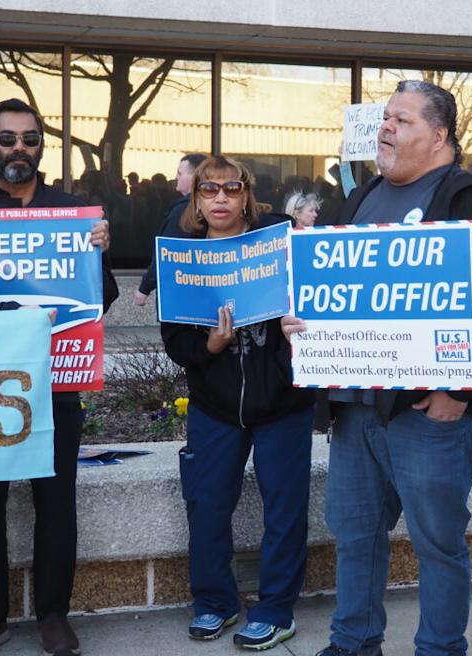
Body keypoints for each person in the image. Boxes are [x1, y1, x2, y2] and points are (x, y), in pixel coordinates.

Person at [283, 80, 472, 656]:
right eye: (386, 118)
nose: (385, 128)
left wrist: (457, 395)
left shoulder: (471, 203)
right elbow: (336, 293)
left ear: (439, 136)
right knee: (355, 537)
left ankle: (439, 649)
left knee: (437, 543)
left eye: (401, 120)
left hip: (427, 414)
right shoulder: (360, 199)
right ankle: (353, 643)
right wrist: (304, 321)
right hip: (354, 410)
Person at [0, 98, 118, 656]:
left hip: (57, 379)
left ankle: (54, 614)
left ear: (43, 145)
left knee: (56, 499)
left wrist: (97, 257)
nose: (20, 149)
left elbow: (99, 299)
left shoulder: (74, 213)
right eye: (8, 138)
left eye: (30, 139)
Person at [161, 156, 314, 650]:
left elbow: (316, 306)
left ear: (247, 195)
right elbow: (174, 340)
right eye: (210, 189)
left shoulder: (279, 244)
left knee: (285, 510)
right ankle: (215, 602)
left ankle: (275, 608)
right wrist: (209, 347)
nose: (221, 198)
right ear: (197, 200)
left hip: (282, 404)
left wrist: (298, 326)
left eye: (231, 188)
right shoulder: (182, 258)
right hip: (215, 406)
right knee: (206, 506)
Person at [135, 153, 207, 305]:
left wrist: (145, 287)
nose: (176, 177)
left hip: (179, 294)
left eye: (180, 174)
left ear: (195, 177)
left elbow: (167, 252)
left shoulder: (184, 210)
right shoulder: (208, 207)